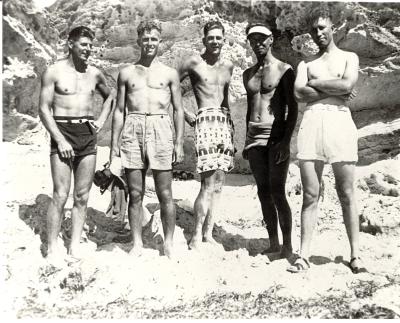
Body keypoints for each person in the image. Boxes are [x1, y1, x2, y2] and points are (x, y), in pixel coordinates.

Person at [288, 6, 366, 273]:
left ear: (333, 27)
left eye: (322, 28)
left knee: (346, 192)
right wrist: (332, 85)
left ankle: (355, 255)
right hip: (312, 123)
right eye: (314, 30)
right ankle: (304, 255)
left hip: (339, 122)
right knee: (311, 194)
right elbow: (299, 93)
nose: (318, 33)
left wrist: (317, 84)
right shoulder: (306, 64)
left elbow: (347, 85)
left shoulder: (349, 57)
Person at [39, 26, 115, 264]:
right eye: (84, 44)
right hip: (62, 131)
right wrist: (60, 139)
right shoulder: (54, 72)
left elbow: (110, 96)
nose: (88, 49)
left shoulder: (94, 73)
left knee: (82, 196)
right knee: (60, 194)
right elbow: (43, 109)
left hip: (87, 133)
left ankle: (74, 246)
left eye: (91, 45)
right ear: (70, 43)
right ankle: (51, 248)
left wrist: (101, 121)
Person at [109, 20, 184, 258]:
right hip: (134, 127)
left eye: (154, 39)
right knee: (135, 192)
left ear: (159, 41)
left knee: (165, 193)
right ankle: (138, 243)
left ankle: (169, 243)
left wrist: (179, 142)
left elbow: (179, 110)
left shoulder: (170, 73)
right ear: (138, 41)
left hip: (161, 127)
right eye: (145, 39)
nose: (149, 43)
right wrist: (114, 146)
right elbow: (119, 110)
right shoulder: (126, 73)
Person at [242, 23, 298, 259]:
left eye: (262, 39)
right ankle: (273, 242)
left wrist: (286, 142)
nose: (258, 43)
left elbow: (292, 108)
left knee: (277, 191)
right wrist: (246, 139)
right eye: (253, 40)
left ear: (271, 39)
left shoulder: (284, 70)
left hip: (274, 137)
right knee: (263, 192)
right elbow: (249, 108)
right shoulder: (248, 73)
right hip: (254, 138)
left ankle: (287, 246)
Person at [179, 20, 235, 250]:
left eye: (218, 37)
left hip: (223, 122)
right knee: (207, 183)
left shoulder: (228, 66)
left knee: (220, 183)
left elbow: (226, 98)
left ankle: (208, 233)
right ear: (204, 40)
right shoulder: (194, 62)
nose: (214, 41)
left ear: (224, 39)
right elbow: (170, 86)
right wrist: (184, 113)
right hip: (204, 121)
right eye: (210, 37)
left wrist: (232, 129)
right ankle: (195, 235)